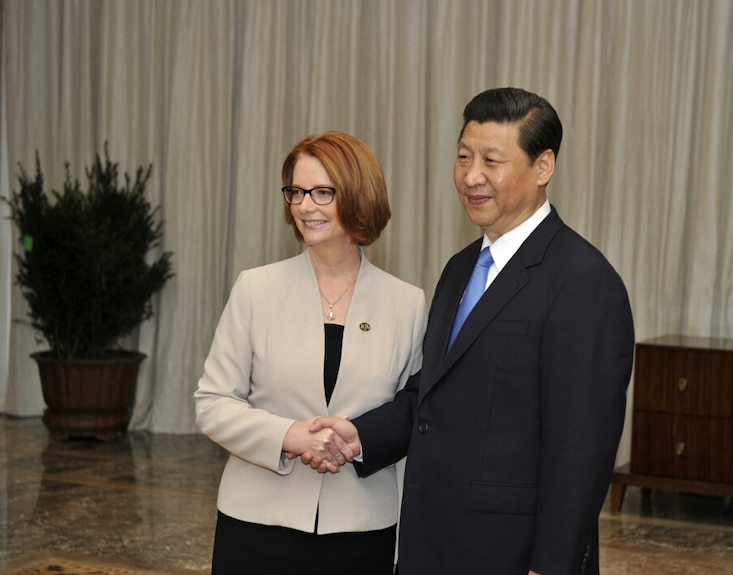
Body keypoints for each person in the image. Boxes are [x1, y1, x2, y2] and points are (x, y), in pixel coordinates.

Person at [304, 88, 635, 575]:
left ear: (543, 167)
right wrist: (360, 437)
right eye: (463, 157)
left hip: (509, 553)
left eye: (491, 160)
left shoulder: (583, 282)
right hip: (430, 542)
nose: (471, 176)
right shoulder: (461, 267)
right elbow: (432, 394)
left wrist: (551, 566)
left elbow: (579, 451)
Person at [194, 131, 426, 575]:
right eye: (296, 192)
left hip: (363, 528)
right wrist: (292, 436)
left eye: (322, 192)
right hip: (257, 523)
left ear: (358, 195)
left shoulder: (407, 302)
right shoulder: (255, 289)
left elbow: (411, 412)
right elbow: (212, 404)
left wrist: (355, 441)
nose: (304, 206)